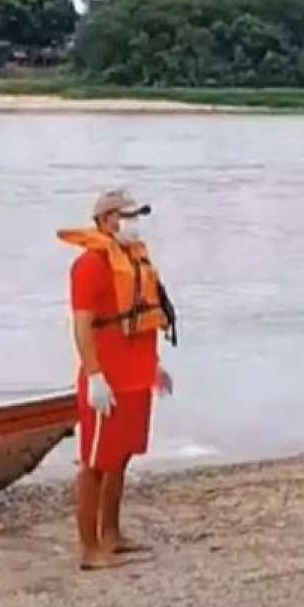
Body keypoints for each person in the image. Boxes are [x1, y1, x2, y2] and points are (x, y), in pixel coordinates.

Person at [59, 189, 176, 571]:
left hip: (135, 377)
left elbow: (143, 320)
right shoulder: (91, 265)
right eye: (128, 215)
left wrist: (153, 367)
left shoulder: (133, 259)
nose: (134, 223)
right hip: (106, 381)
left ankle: (111, 534)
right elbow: (81, 327)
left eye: (137, 215)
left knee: (120, 457)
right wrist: (94, 376)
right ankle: (89, 549)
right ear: (107, 219)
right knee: (94, 464)